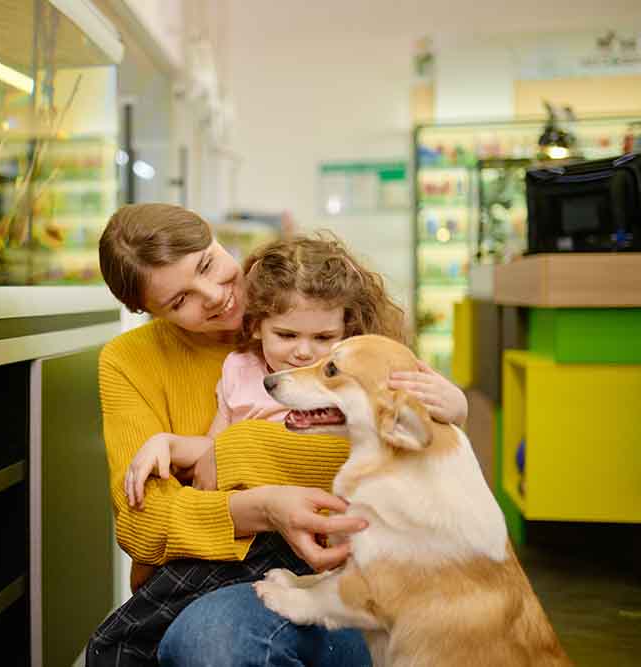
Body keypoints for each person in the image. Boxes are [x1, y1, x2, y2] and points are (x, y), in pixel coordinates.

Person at [87, 204, 467, 667]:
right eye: (179, 300)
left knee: (216, 640)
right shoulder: (137, 361)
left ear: (213, 235)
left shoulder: (311, 308)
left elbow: (393, 453)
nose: (212, 295)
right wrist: (265, 506)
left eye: (207, 263)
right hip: (207, 571)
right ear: (147, 311)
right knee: (121, 646)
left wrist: (235, 453)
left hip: (342, 569)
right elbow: (143, 522)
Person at [123, 236, 465, 511]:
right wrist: (165, 443)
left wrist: (456, 406)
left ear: (347, 331)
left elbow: (421, 428)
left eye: (323, 338)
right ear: (256, 326)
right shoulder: (240, 371)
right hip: (255, 531)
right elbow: (212, 450)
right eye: (286, 335)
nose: (303, 352)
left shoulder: (359, 375)